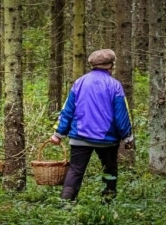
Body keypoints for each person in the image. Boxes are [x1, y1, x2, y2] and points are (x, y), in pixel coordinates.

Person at [50, 49, 133, 203]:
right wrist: (128, 137)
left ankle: (65, 204)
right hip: (107, 140)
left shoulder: (79, 82)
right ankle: (107, 203)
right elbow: (121, 115)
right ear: (110, 66)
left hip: (79, 137)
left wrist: (58, 134)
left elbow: (67, 110)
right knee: (110, 170)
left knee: (75, 171)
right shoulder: (115, 85)